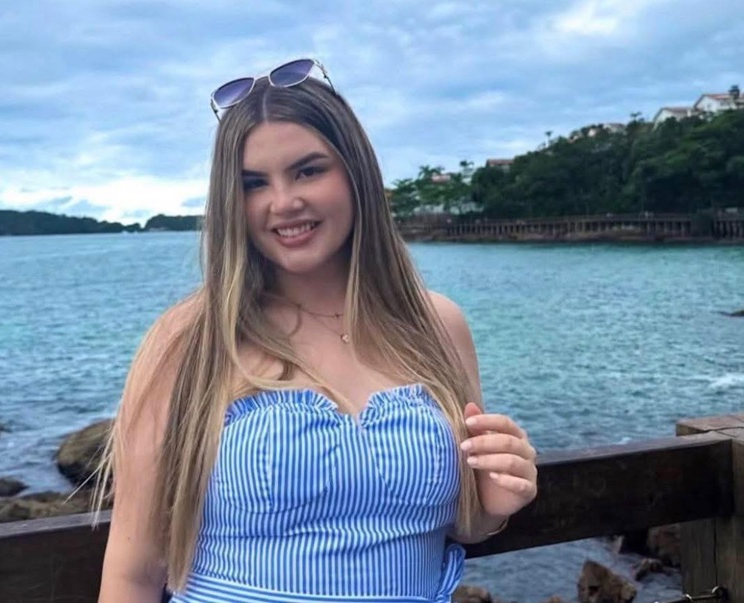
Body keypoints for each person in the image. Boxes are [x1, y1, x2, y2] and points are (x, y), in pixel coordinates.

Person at [94, 58, 538, 603]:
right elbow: (133, 574)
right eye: (254, 184)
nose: (284, 203)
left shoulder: (437, 326)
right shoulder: (192, 339)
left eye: (307, 171)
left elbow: (458, 525)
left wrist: (495, 501)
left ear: (355, 173)